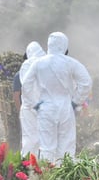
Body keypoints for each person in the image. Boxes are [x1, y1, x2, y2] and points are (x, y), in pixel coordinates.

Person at [22, 32, 92, 163]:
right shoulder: (71, 63)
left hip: (46, 108)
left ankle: (45, 178)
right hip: (65, 107)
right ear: (65, 45)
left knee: (46, 147)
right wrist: (76, 101)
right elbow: (86, 82)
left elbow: (26, 84)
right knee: (66, 146)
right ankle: (62, 179)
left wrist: (34, 103)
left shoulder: (38, 63)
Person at [18, 41, 46, 156]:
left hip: (30, 107)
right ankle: (39, 167)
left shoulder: (27, 64)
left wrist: (33, 103)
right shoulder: (47, 62)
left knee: (30, 139)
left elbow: (25, 86)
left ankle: (26, 167)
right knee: (42, 140)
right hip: (44, 107)